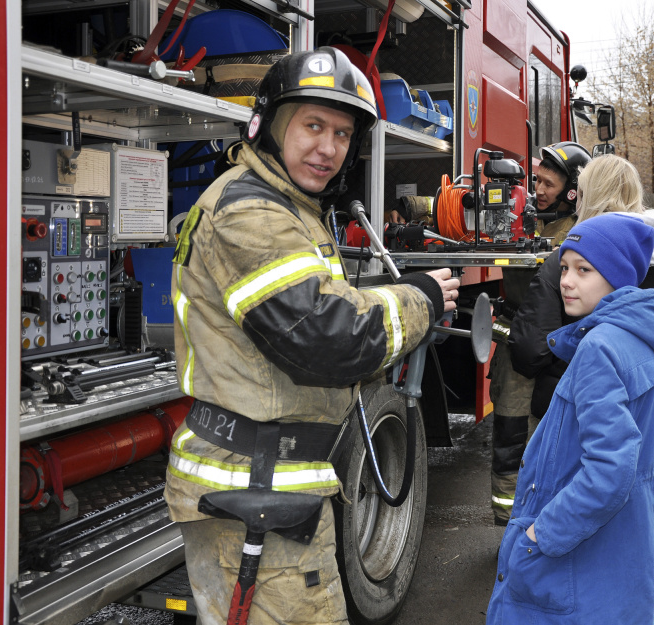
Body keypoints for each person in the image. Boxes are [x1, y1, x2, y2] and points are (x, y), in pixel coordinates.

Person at [164, 47, 460, 625]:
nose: (328, 148)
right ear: (271, 125)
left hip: (274, 490)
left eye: (343, 134)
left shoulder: (291, 207)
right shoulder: (250, 212)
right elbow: (326, 338)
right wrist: (418, 300)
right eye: (313, 125)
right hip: (256, 499)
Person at [486, 212, 654, 624]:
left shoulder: (600, 349)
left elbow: (609, 470)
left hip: (576, 554)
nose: (566, 281)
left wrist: (539, 536)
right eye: (565, 267)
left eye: (584, 270)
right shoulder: (638, 339)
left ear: (619, 276)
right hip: (620, 544)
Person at [508, 154, 654, 441]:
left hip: (568, 399)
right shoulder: (653, 255)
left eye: (580, 193)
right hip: (636, 395)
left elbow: (529, 351)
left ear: (587, 196)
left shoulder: (570, 256)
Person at [487, 141, 591, 525]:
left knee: (552, 443)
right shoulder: (520, 217)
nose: (539, 191)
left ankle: (545, 528)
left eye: (548, 184)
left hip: (558, 355)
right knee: (509, 439)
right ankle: (509, 526)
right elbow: (468, 213)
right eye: (537, 181)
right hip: (515, 352)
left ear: (573, 190)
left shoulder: (582, 233)